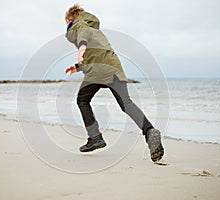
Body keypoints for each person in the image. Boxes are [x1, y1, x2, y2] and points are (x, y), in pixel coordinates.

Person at [64, 4, 164, 162]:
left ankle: (95, 137)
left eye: (66, 22)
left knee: (82, 100)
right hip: (113, 67)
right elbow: (96, 54)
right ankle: (150, 131)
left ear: (71, 19)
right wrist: (77, 67)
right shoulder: (96, 30)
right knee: (126, 104)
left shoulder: (79, 23)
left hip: (98, 71)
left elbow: (83, 33)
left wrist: (81, 48)